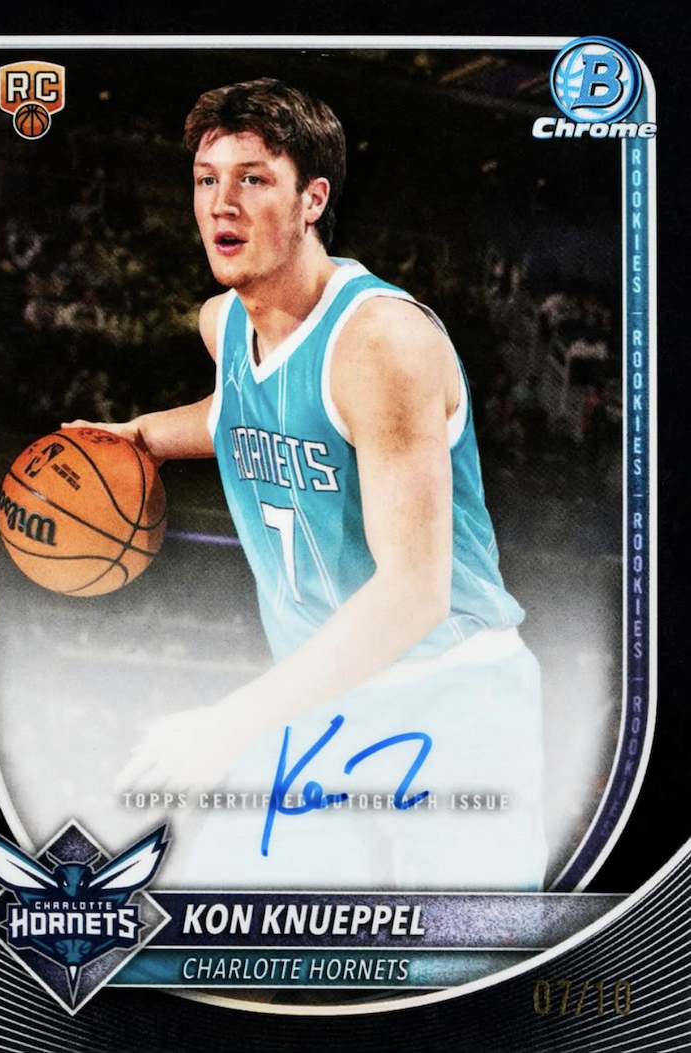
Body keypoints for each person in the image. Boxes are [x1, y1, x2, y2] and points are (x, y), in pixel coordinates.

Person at [68, 78, 547, 891]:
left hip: (449, 696)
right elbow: (244, 410)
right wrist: (140, 433)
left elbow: (414, 593)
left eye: (253, 178)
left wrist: (230, 721)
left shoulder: (381, 342)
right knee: (250, 939)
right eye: (206, 179)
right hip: (322, 697)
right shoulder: (225, 323)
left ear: (313, 199)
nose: (222, 203)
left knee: (456, 957)